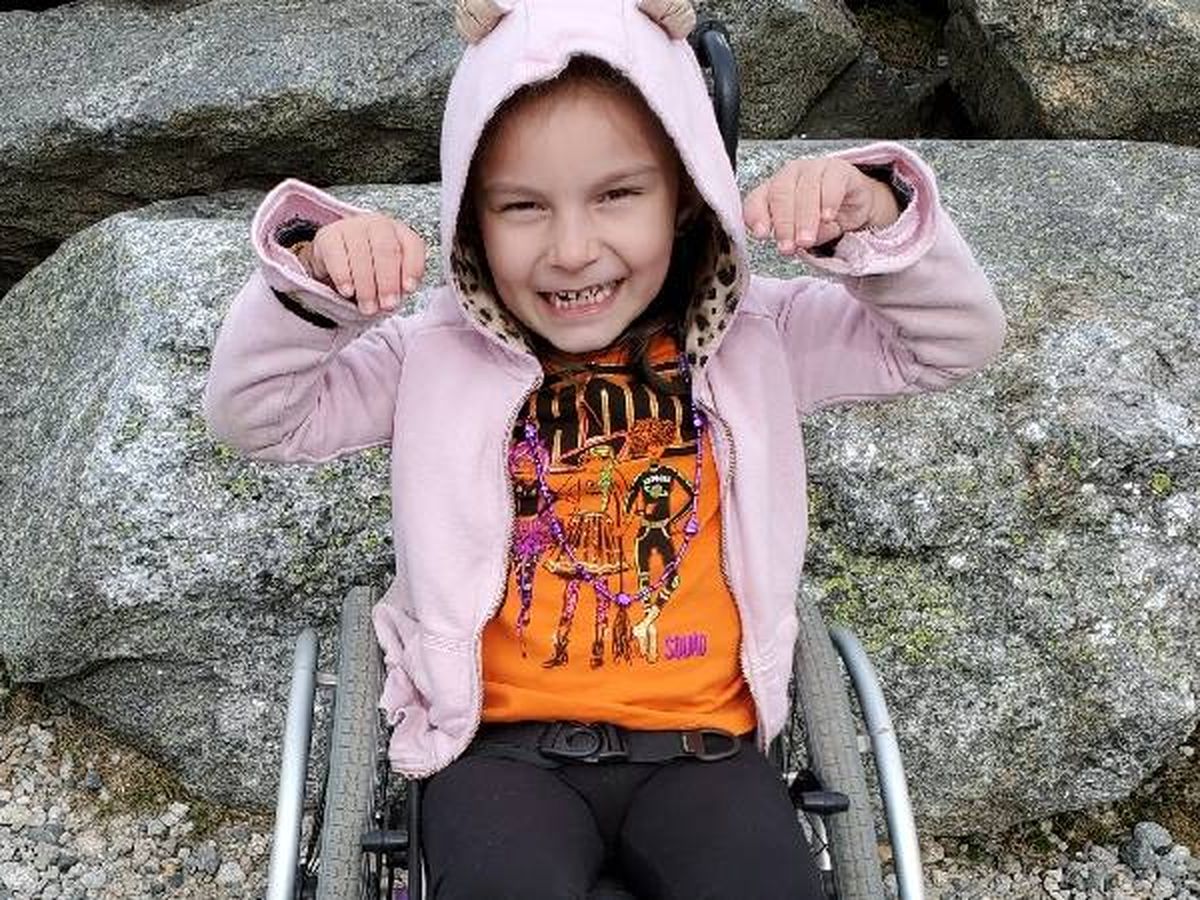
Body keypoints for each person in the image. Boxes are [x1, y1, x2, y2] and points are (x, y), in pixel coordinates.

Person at [204, 0, 1006, 896]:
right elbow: (257, 417)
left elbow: (953, 342)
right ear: (469, 219)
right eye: (522, 207)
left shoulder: (761, 336)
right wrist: (317, 283)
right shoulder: (430, 354)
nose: (573, 250)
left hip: (705, 752)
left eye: (618, 195)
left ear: (687, 196)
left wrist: (874, 216)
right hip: (500, 754)